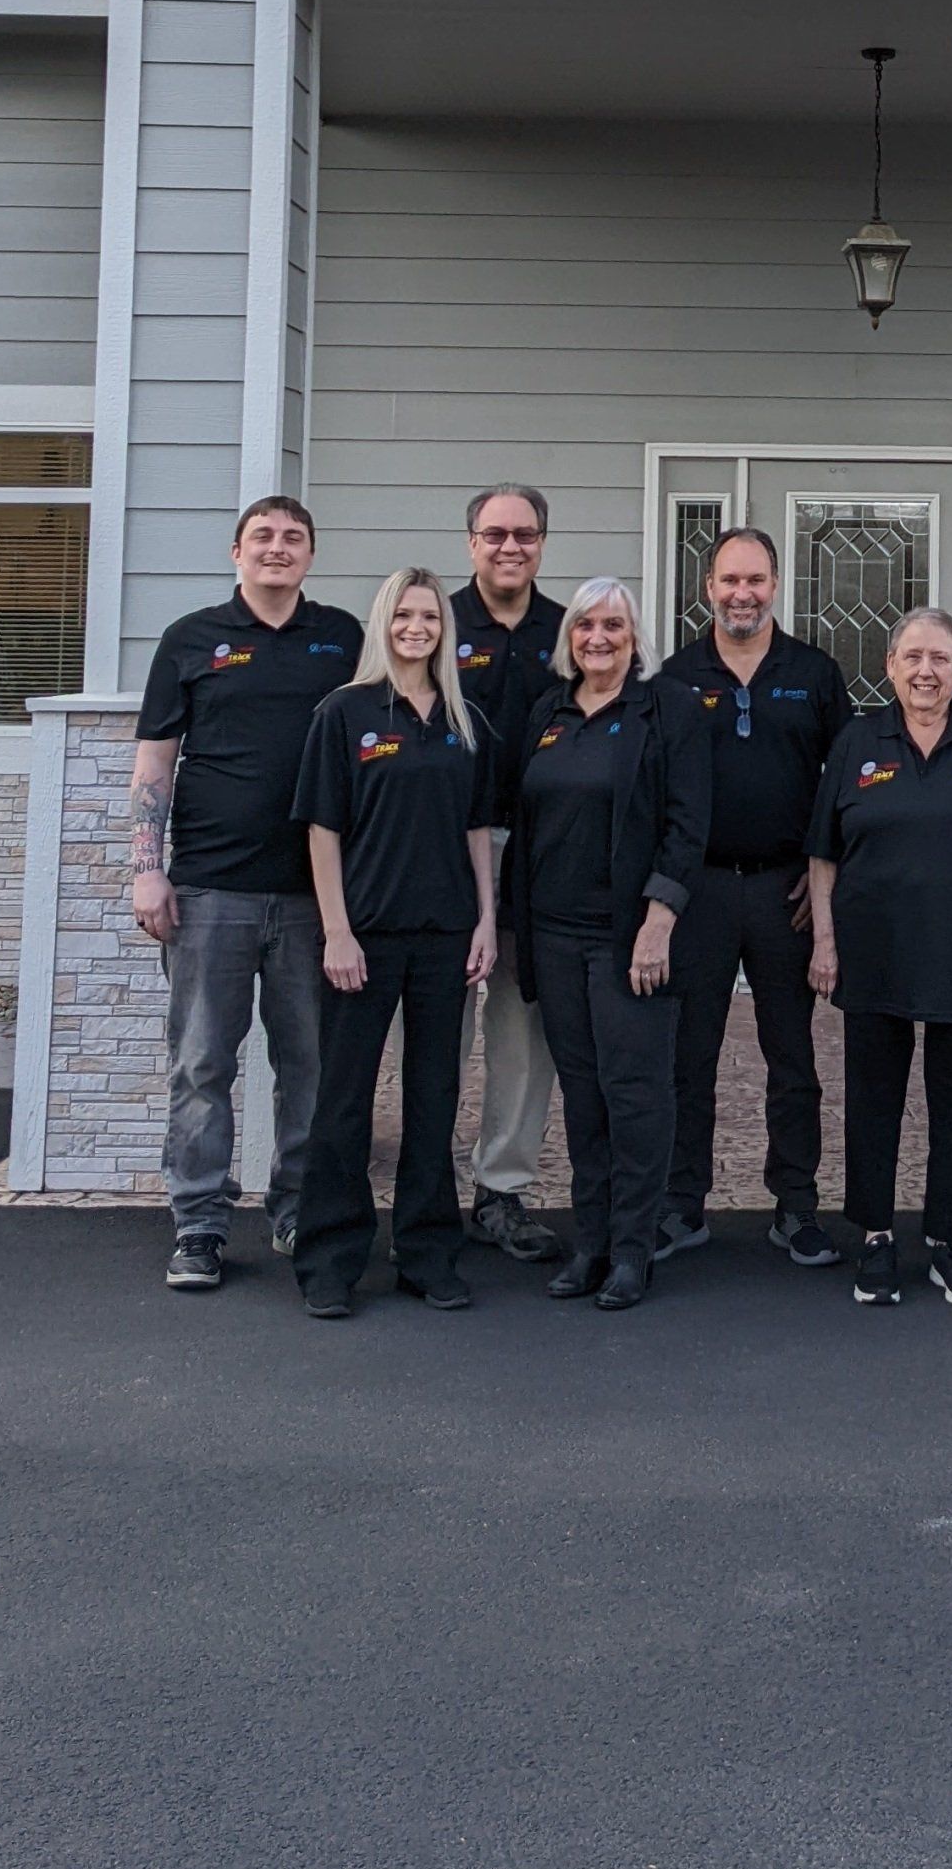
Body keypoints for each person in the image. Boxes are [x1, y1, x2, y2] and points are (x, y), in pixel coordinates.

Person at [131, 495, 364, 1289]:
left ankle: (298, 1208)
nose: (277, 546)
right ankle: (198, 1222)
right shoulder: (190, 638)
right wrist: (147, 867)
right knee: (201, 1063)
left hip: (312, 897)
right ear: (236, 551)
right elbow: (156, 761)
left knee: (310, 1066)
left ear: (310, 554)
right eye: (262, 535)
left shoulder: (343, 639)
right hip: (209, 889)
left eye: (294, 536)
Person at [806, 608, 952, 1309]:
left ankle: (949, 1239)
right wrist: (824, 940)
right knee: (873, 1098)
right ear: (890, 666)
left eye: (940, 658)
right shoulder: (857, 741)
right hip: (874, 948)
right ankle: (876, 1236)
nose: (926, 671)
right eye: (912, 657)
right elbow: (823, 853)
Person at [290, 570, 500, 1320]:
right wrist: (337, 931)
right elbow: (322, 830)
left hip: (446, 936)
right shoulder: (345, 712)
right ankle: (330, 1260)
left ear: (445, 628)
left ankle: (427, 1253)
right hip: (366, 936)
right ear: (385, 622)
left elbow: (478, 829)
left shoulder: (464, 719)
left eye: (430, 616)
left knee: (435, 1098)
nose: (417, 627)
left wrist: (486, 918)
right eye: (404, 614)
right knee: (344, 1102)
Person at [510, 579, 711, 1312]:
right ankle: (590, 1240)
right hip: (554, 935)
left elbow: (688, 824)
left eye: (614, 625)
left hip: (629, 938)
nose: (598, 637)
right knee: (583, 1091)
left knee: (636, 1094)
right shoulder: (549, 711)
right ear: (570, 637)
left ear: (635, 637)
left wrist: (659, 920)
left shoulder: (668, 709)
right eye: (585, 625)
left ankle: (632, 1248)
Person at [659, 526, 852, 1267]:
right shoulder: (676, 677)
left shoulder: (815, 673)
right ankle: (682, 1204)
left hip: (784, 892)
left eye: (756, 580)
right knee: (690, 1056)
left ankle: (795, 1205)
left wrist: (823, 868)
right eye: (730, 580)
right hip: (701, 890)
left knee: (792, 1057)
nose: (743, 594)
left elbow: (846, 779)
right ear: (708, 587)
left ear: (776, 586)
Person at [451, 484, 567, 1264]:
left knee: (523, 1031)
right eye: (494, 533)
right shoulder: (434, 621)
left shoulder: (569, 631)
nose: (509, 547)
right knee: (437, 1026)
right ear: (472, 542)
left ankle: (501, 1188)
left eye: (524, 534)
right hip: (443, 851)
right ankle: (425, 1184)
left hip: (538, 851)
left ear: (542, 543)